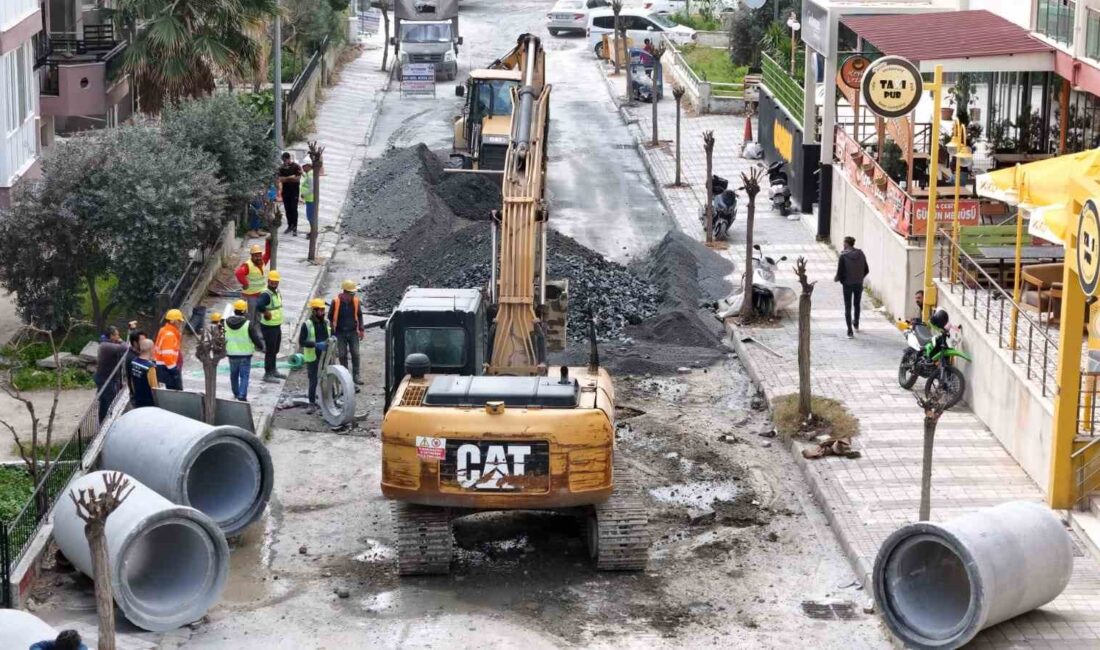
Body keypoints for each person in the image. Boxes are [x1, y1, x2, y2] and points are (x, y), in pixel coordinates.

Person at [225, 300, 265, 401]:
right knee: (244, 376)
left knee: (233, 375)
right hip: (245, 355)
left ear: (234, 310)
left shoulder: (225, 322)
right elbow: (255, 338)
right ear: (244, 311)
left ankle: (236, 392)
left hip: (231, 354)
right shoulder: (247, 324)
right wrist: (260, 346)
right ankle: (242, 395)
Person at [328, 279, 364, 385]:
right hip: (340, 333)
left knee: (356, 354)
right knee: (342, 354)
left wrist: (361, 329)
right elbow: (330, 317)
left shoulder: (356, 301)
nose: (353, 295)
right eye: (351, 293)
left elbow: (360, 315)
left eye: (353, 293)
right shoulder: (336, 302)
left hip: (353, 332)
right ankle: (346, 376)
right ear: (345, 292)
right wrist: (333, 334)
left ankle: (356, 376)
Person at [835, 236, 870, 339]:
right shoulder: (861, 253)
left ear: (846, 244)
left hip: (847, 284)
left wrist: (838, 279)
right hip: (858, 283)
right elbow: (866, 269)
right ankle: (856, 323)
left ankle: (849, 331)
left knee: (848, 306)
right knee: (857, 304)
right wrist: (859, 278)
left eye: (843, 243)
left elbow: (839, 273)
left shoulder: (843, 256)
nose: (843, 245)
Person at [300, 298, 331, 412]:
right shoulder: (307, 325)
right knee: (313, 380)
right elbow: (302, 342)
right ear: (314, 311)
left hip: (325, 356)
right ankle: (311, 403)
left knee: (327, 378)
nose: (323, 312)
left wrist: (332, 339)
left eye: (323, 310)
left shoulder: (326, 323)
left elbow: (330, 336)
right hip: (312, 356)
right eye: (321, 310)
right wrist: (315, 344)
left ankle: (327, 401)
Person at [256, 270, 286, 383]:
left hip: (276, 325)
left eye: (276, 282)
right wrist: (266, 312)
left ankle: (273, 370)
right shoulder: (266, 294)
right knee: (270, 350)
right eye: (272, 282)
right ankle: (268, 373)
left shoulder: (276, 292)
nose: (274, 284)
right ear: (268, 281)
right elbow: (259, 305)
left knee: (275, 349)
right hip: (269, 326)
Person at [234, 239, 271, 332]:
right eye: (256, 256)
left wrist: (268, 242)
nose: (258, 257)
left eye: (259, 255)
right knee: (250, 317)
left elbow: (268, 254)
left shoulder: (262, 261)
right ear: (252, 256)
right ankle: (249, 333)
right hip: (250, 297)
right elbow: (238, 273)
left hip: (259, 295)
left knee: (258, 316)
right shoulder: (248, 265)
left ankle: (256, 333)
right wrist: (245, 283)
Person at [93, 326, 129, 421]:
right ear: (111, 336)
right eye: (117, 335)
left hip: (105, 377)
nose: (118, 336)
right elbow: (126, 347)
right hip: (106, 379)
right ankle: (106, 423)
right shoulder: (106, 346)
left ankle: (103, 422)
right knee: (108, 402)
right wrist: (121, 341)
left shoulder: (106, 344)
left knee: (105, 402)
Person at [153, 309, 185, 390]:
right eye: (179, 321)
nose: (181, 323)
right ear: (172, 321)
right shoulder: (169, 335)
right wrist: (175, 371)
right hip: (169, 370)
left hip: (164, 368)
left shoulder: (163, 330)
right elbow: (167, 356)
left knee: (170, 392)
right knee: (176, 393)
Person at [277, 152, 303, 236]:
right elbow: (280, 179)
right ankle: (289, 225)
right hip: (286, 191)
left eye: (285, 160)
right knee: (287, 208)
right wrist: (290, 177)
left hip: (294, 190)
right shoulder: (281, 168)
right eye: (283, 160)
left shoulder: (296, 166)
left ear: (289, 159)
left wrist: (287, 179)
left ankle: (295, 226)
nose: (284, 162)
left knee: (293, 209)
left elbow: (297, 179)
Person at [130, 338, 159, 408]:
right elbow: (155, 388)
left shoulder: (133, 362)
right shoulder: (150, 367)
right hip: (149, 403)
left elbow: (132, 382)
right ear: (151, 349)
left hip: (138, 400)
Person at [123, 327, 147, 404]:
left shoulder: (137, 353)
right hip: (139, 397)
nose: (145, 343)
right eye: (142, 341)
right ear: (135, 343)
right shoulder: (133, 359)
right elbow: (133, 380)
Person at [301, 160, 316, 231]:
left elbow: (312, 188)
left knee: (310, 217)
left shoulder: (310, 175)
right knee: (310, 216)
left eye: (304, 167)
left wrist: (304, 194)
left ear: (308, 166)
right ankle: (312, 231)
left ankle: (312, 232)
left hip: (311, 199)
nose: (303, 168)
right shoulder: (309, 174)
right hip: (309, 199)